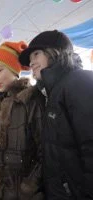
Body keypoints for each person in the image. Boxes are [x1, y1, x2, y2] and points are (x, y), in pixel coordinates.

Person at [19, 30, 93, 199]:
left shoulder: (79, 82)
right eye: (30, 58)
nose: (31, 62)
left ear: (55, 53)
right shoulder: (51, 93)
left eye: (36, 54)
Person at [0, 41, 45, 200]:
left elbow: (44, 152)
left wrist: (29, 187)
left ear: (14, 69)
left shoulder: (31, 101)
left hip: (18, 193)